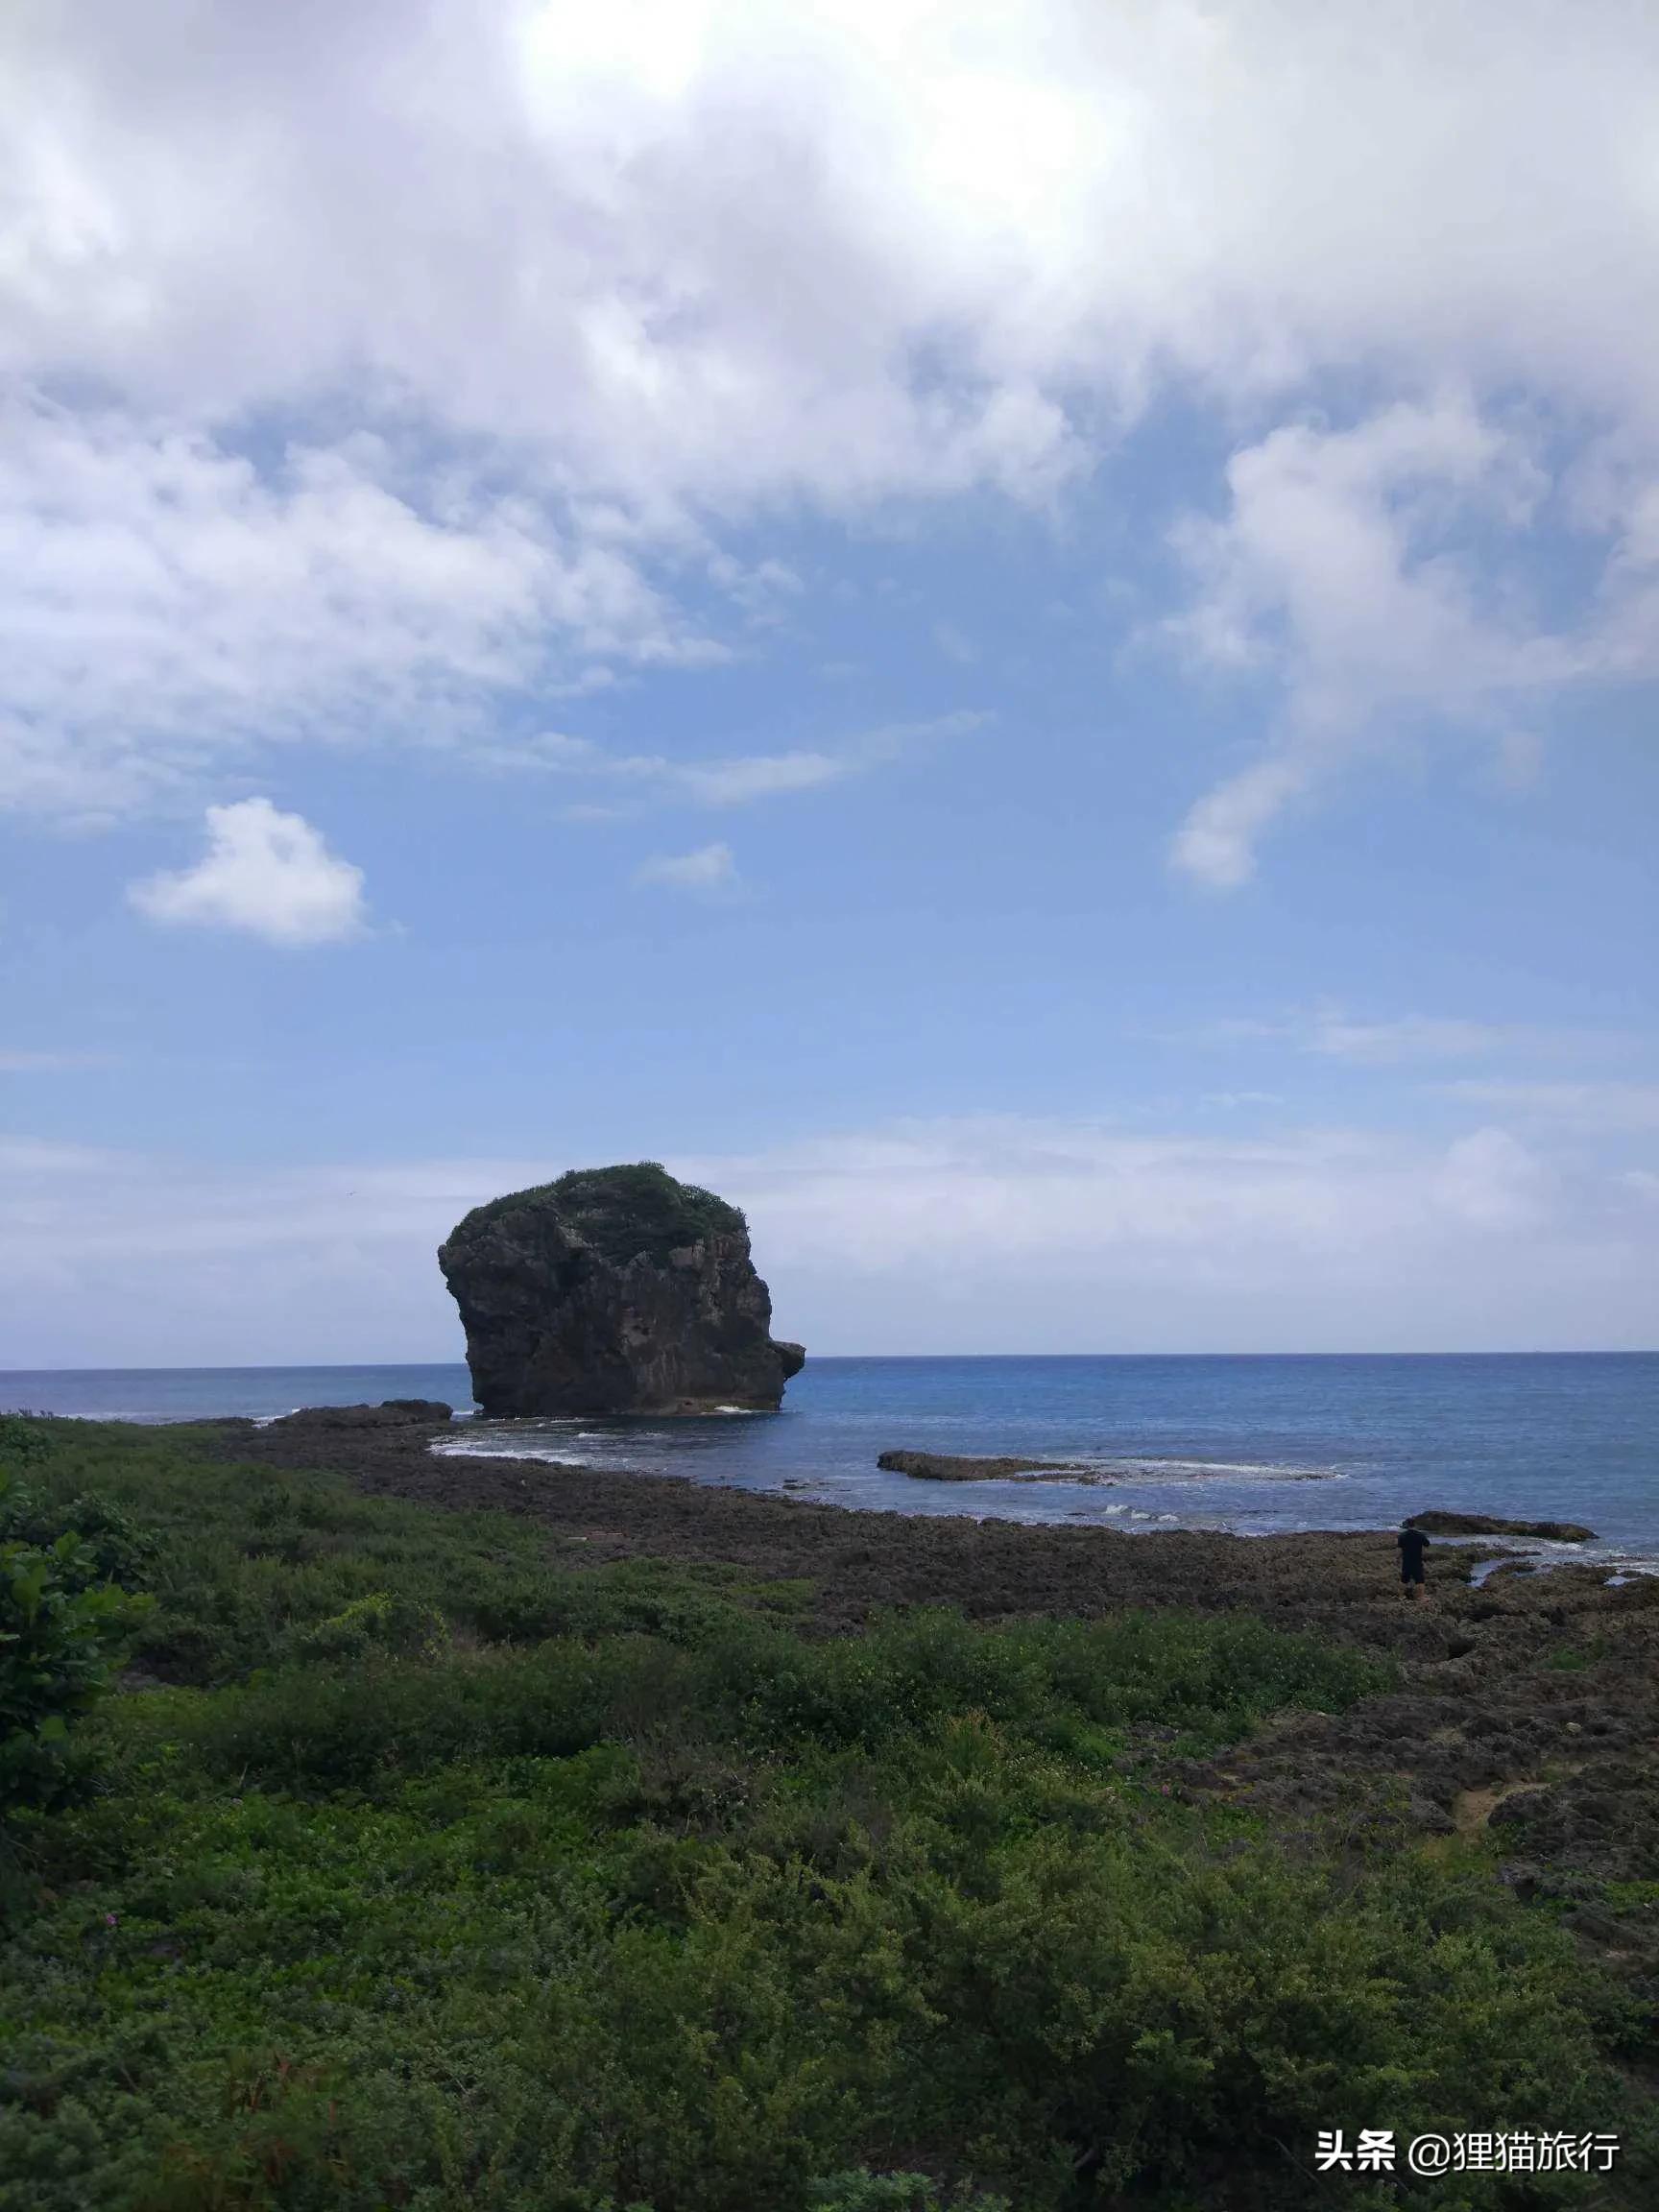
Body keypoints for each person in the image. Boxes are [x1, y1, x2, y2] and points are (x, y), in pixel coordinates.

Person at [1396, 1520, 1431, 1601]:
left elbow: (1399, 1549)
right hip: (1416, 1561)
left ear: (1407, 1525)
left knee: (1404, 1579)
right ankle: (1420, 1597)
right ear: (1415, 1525)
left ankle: (1401, 1596)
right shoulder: (1420, 1535)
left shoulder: (1402, 1535)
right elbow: (1427, 1544)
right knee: (1420, 1580)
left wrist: (1397, 1558)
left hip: (1406, 1561)